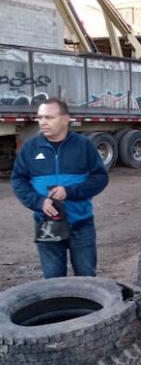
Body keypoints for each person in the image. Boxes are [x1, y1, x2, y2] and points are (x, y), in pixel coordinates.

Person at [11, 98, 108, 278]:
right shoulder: (31, 148)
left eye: (49, 117)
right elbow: (18, 180)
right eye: (40, 118)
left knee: (86, 276)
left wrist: (70, 192)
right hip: (47, 224)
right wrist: (39, 202)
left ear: (65, 119)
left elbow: (100, 178)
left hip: (81, 223)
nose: (43, 122)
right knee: (53, 279)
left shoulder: (83, 145)